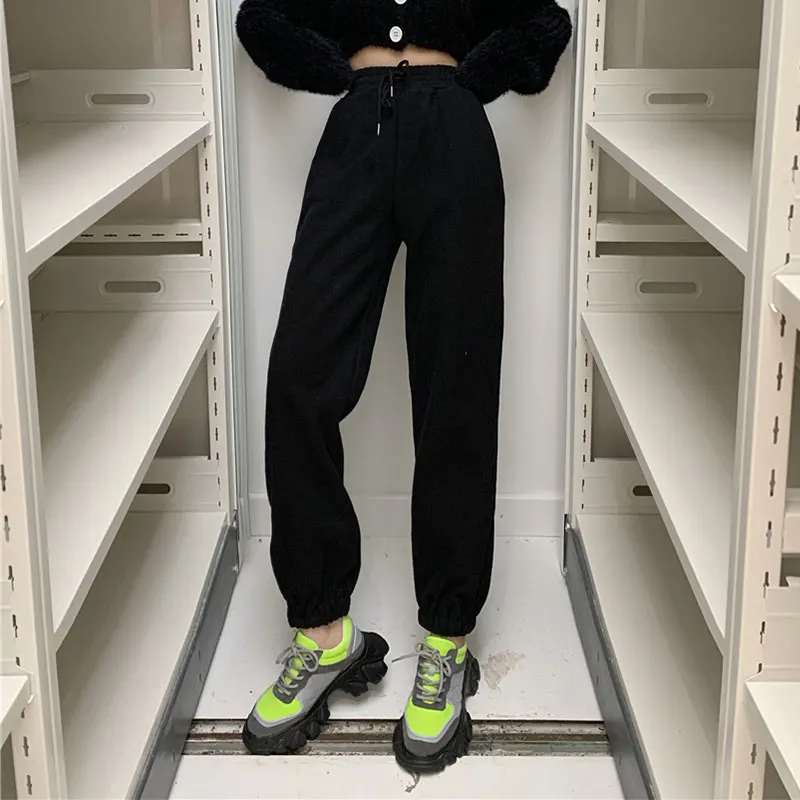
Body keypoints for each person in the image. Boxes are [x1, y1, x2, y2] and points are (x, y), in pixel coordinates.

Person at [235, 0, 572, 774]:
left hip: (456, 139)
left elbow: (544, 25)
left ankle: (447, 639)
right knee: (300, 377)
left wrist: (463, 82)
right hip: (357, 132)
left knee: (457, 388)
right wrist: (342, 74)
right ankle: (325, 632)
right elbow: (261, 18)